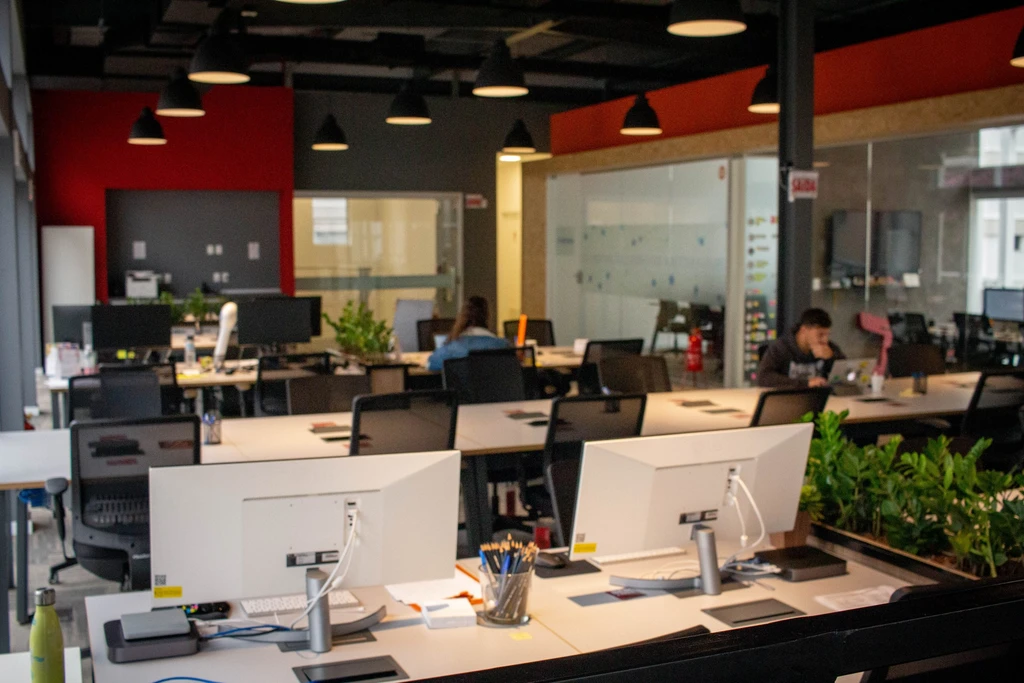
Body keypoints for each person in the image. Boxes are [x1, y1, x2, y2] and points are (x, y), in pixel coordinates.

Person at [757, 308, 845, 389]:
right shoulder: (781, 348)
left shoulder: (830, 348)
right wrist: (806, 384)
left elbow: (846, 376)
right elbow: (764, 378)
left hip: (821, 397)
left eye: (827, 335)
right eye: (820, 335)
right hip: (788, 397)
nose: (825, 340)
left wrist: (831, 358)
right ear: (803, 330)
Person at [427, 296, 509, 371]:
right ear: (488, 317)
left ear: (462, 317)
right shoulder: (503, 346)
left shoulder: (451, 348)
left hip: (461, 383)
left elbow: (431, 364)